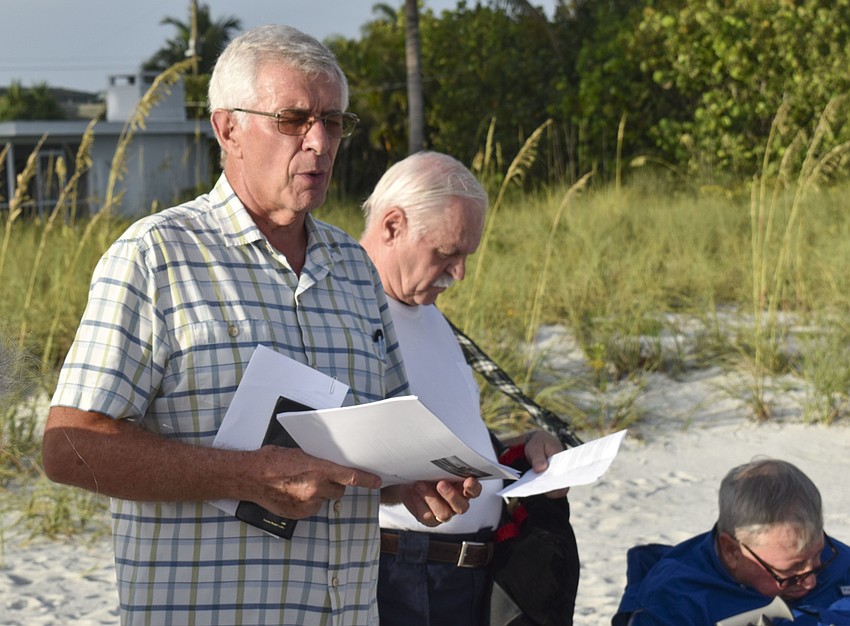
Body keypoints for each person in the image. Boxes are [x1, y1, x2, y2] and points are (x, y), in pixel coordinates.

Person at [41, 26, 480, 626]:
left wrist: (406, 484)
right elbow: (69, 446)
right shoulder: (156, 256)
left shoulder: (354, 266)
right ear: (228, 129)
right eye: (293, 119)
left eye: (333, 120)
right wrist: (244, 475)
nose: (320, 142)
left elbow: (381, 434)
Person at [360, 150, 578, 625]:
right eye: (446, 252)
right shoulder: (346, 316)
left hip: (471, 574)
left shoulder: (426, 312)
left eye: (465, 255)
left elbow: (453, 432)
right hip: (403, 576)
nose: (459, 273)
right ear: (392, 226)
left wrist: (522, 452)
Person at [613, 458, 850, 626]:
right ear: (732, 552)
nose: (810, 581)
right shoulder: (672, 606)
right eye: (791, 571)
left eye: (818, 557)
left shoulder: (837, 559)